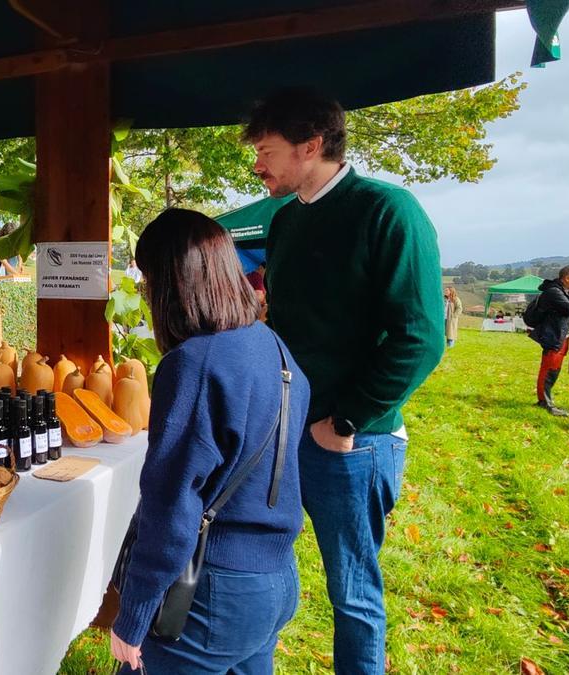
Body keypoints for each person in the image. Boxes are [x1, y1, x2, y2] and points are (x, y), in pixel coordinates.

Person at [246, 88, 444, 674]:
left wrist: (348, 420)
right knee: (260, 566)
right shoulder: (285, 221)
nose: (257, 165)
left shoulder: (388, 210)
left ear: (311, 146)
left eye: (266, 151)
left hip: (352, 442)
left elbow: (420, 337)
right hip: (283, 433)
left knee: (352, 593)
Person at [111, 209, 309, 674]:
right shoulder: (274, 347)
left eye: (149, 280)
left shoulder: (195, 364)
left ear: (169, 283)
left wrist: (134, 614)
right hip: (276, 579)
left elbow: (171, 504)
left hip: (212, 591)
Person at [530, 266, 569, 416]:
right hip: (553, 336)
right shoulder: (554, 292)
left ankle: (545, 400)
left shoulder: (565, 290)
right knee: (549, 369)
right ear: (567, 278)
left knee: (554, 370)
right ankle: (545, 403)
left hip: (561, 336)